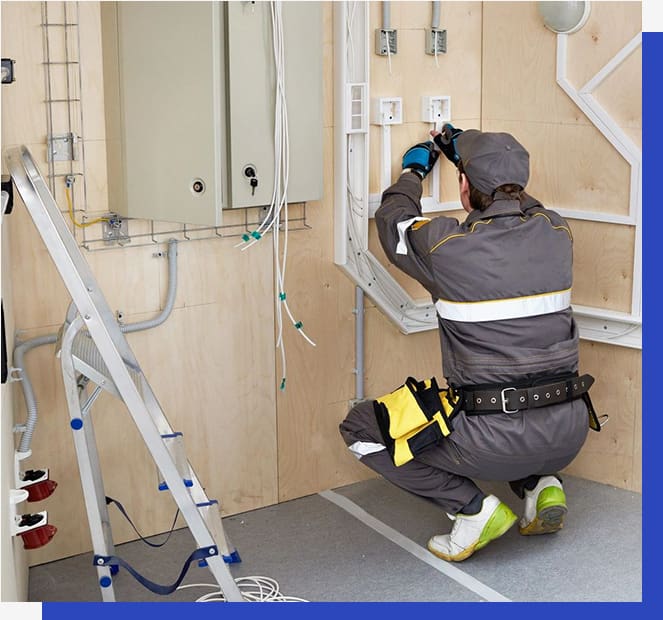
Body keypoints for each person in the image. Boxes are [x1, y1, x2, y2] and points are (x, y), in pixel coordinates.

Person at [339, 125, 600, 562]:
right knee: (525, 393)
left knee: (361, 429)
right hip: (568, 432)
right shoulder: (557, 232)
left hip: (490, 440)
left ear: (464, 186)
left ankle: (472, 509)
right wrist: (468, 149)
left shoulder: (446, 247)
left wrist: (414, 170)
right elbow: (523, 202)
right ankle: (543, 486)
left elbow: (393, 219)